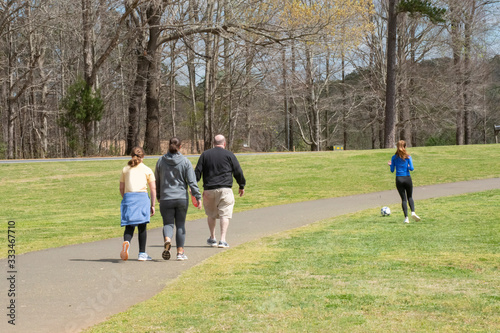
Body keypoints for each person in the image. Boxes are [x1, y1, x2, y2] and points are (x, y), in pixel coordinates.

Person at [195, 134, 246, 248]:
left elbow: (197, 172)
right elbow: (238, 171)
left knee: (211, 214)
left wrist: (193, 186)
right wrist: (241, 185)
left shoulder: (205, 155)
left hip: (209, 189)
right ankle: (222, 240)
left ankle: (212, 238)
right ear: (224, 143)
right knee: (225, 214)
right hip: (225, 189)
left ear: (213, 143)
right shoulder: (229, 155)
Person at [155, 137, 202, 261]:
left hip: (166, 198)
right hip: (181, 198)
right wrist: (198, 197)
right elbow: (192, 182)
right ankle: (180, 253)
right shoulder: (185, 162)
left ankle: (167, 240)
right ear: (180, 147)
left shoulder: (161, 161)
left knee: (168, 224)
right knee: (180, 225)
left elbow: (157, 180)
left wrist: (159, 196)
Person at [119, 147, 156, 261]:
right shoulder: (147, 169)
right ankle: (142, 253)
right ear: (143, 156)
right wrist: (153, 204)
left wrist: (125, 198)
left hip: (129, 197)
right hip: (141, 197)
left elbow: (121, 187)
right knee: (142, 226)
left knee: (129, 226)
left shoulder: (125, 169)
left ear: (131, 156)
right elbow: (153, 188)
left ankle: (126, 242)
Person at [388, 140, 421, 223]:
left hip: (399, 179)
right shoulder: (408, 157)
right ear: (405, 147)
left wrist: (390, 165)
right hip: (407, 178)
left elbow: (392, 170)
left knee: (403, 199)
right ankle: (413, 212)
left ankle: (406, 218)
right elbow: (412, 169)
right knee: (410, 196)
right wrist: (408, 167)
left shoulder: (394, 157)